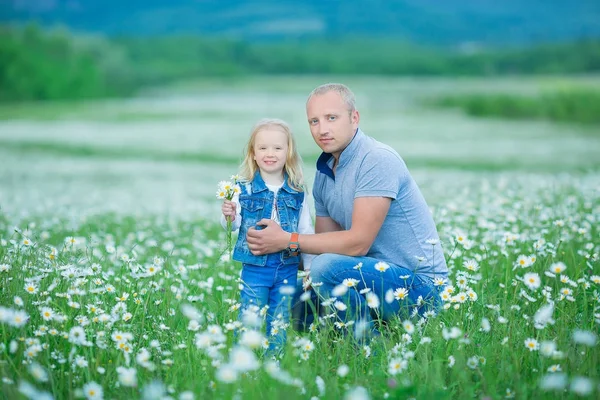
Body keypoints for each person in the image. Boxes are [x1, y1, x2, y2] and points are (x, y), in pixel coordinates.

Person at [245, 83, 448, 338]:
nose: (322, 129)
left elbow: (357, 245)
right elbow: (321, 247)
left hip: (419, 289)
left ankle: (370, 350)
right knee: (285, 298)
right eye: (314, 121)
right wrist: (265, 242)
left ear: (354, 118)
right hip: (366, 280)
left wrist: (285, 240)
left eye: (332, 118)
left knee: (324, 269)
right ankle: (362, 338)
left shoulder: (376, 159)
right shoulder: (324, 175)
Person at [220, 118, 315, 357]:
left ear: (288, 153)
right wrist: (228, 215)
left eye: (277, 148)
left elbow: (305, 228)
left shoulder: (297, 190)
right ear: (253, 153)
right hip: (255, 267)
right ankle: (244, 362)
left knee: (280, 320)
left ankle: (275, 361)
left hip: (287, 267)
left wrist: (311, 266)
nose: (269, 153)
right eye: (262, 148)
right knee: (250, 316)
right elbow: (233, 226)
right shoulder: (243, 188)